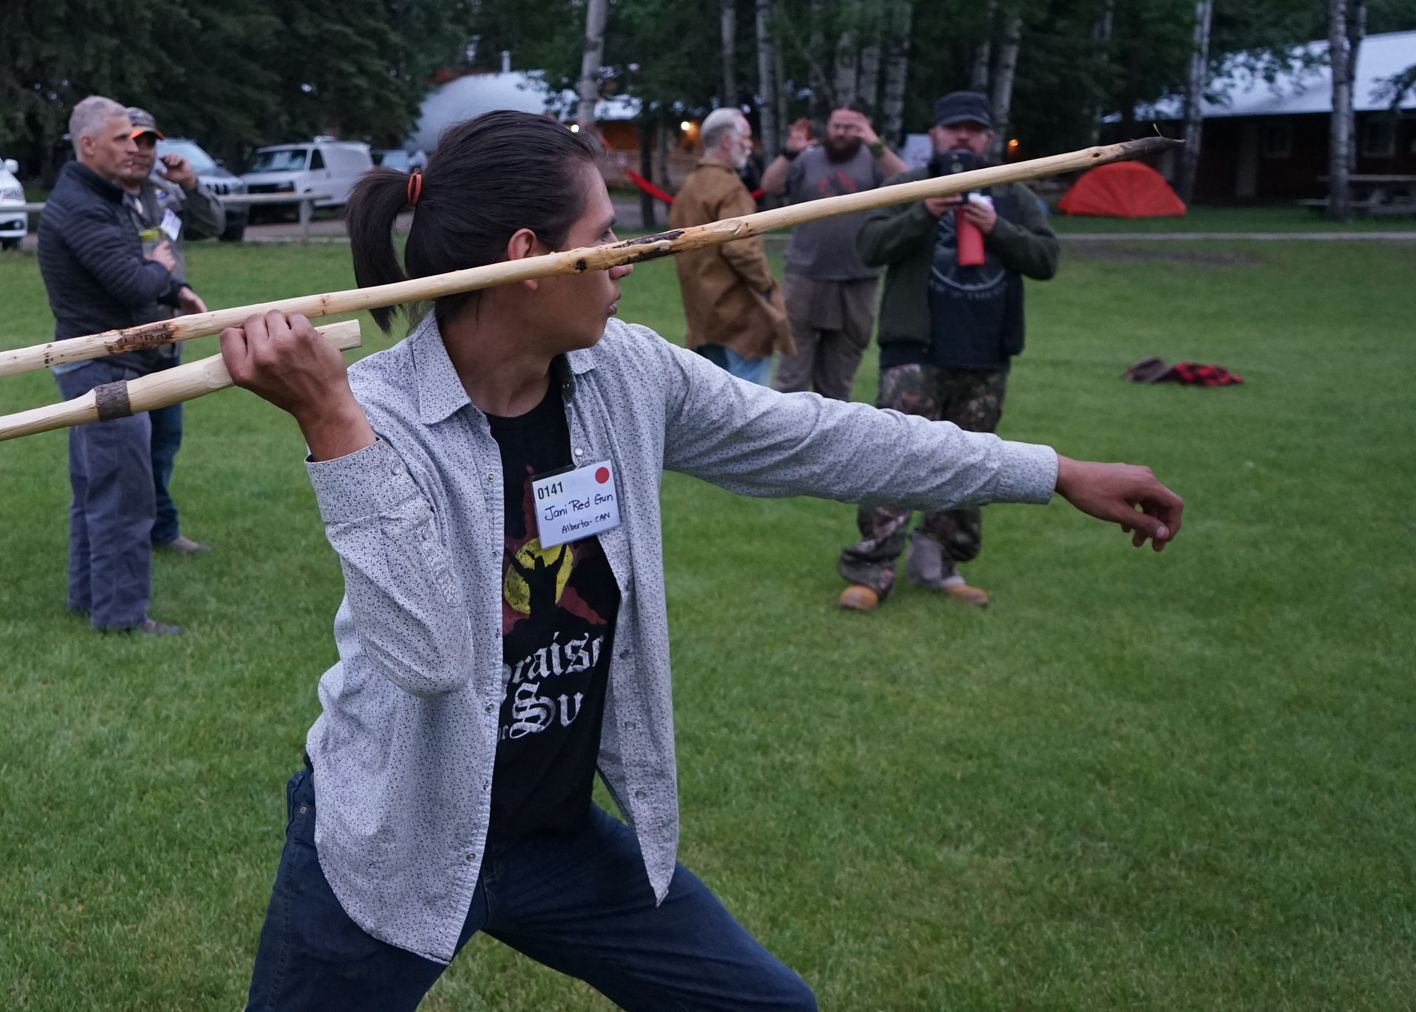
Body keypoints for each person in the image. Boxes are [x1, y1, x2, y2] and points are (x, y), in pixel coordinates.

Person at [217, 110, 1181, 1009]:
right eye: (610, 234)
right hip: (396, 838)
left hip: (551, 836)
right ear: (533, 260)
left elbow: (822, 438)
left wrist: (1051, 471)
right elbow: (430, 659)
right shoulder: (376, 415)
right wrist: (330, 422)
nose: (634, 259)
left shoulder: (626, 372)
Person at [837, 90, 1061, 613]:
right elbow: (868, 248)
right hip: (915, 351)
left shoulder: (1011, 193)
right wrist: (922, 213)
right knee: (893, 457)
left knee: (971, 464)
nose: (964, 137)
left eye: (974, 130)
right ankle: (873, 568)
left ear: (987, 138)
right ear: (934, 135)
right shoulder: (907, 186)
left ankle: (940, 564)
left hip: (984, 355)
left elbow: (1047, 257)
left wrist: (997, 229)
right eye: (954, 128)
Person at [37, 95, 202, 635]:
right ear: (87, 145)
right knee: (122, 497)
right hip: (101, 366)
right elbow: (132, 280)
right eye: (119, 139)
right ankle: (121, 617)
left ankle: (87, 598)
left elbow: (132, 270)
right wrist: (160, 269)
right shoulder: (83, 204)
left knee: (96, 488)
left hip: (100, 361)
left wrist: (173, 287)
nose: (132, 147)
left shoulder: (99, 196)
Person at [116, 106, 217, 556]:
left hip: (167, 340)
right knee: (129, 447)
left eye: (149, 141)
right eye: (132, 140)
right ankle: (135, 530)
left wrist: (191, 185)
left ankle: (157, 528)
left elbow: (214, 226)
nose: (141, 151)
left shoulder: (164, 194)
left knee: (164, 441)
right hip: (121, 342)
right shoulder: (105, 202)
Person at [760, 104, 908, 401]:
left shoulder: (873, 161)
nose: (841, 132)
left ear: (865, 129)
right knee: (791, 378)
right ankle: (785, 441)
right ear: (827, 127)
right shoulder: (808, 159)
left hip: (858, 279)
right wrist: (789, 152)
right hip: (805, 276)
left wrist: (875, 143)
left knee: (838, 382)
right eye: (836, 125)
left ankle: (831, 445)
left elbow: (910, 184)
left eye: (851, 126)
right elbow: (770, 185)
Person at [668, 107, 792, 384]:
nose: (750, 144)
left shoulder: (690, 186)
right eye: (745, 137)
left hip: (703, 316)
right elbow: (741, 249)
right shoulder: (730, 188)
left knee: (714, 410)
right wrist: (765, 287)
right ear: (726, 141)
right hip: (739, 319)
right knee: (753, 412)